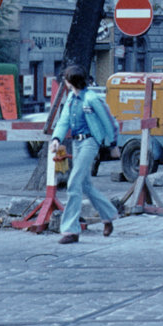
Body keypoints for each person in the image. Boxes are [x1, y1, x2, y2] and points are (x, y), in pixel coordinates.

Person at [49, 65, 118, 244]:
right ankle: (108, 215)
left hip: (89, 142)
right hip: (77, 143)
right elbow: (64, 120)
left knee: (73, 183)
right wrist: (57, 138)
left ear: (70, 81)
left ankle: (71, 231)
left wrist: (113, 144)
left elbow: (108, 121)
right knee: (85, 185)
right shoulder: (72, 98)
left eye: (65, 78)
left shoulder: (91, 98)